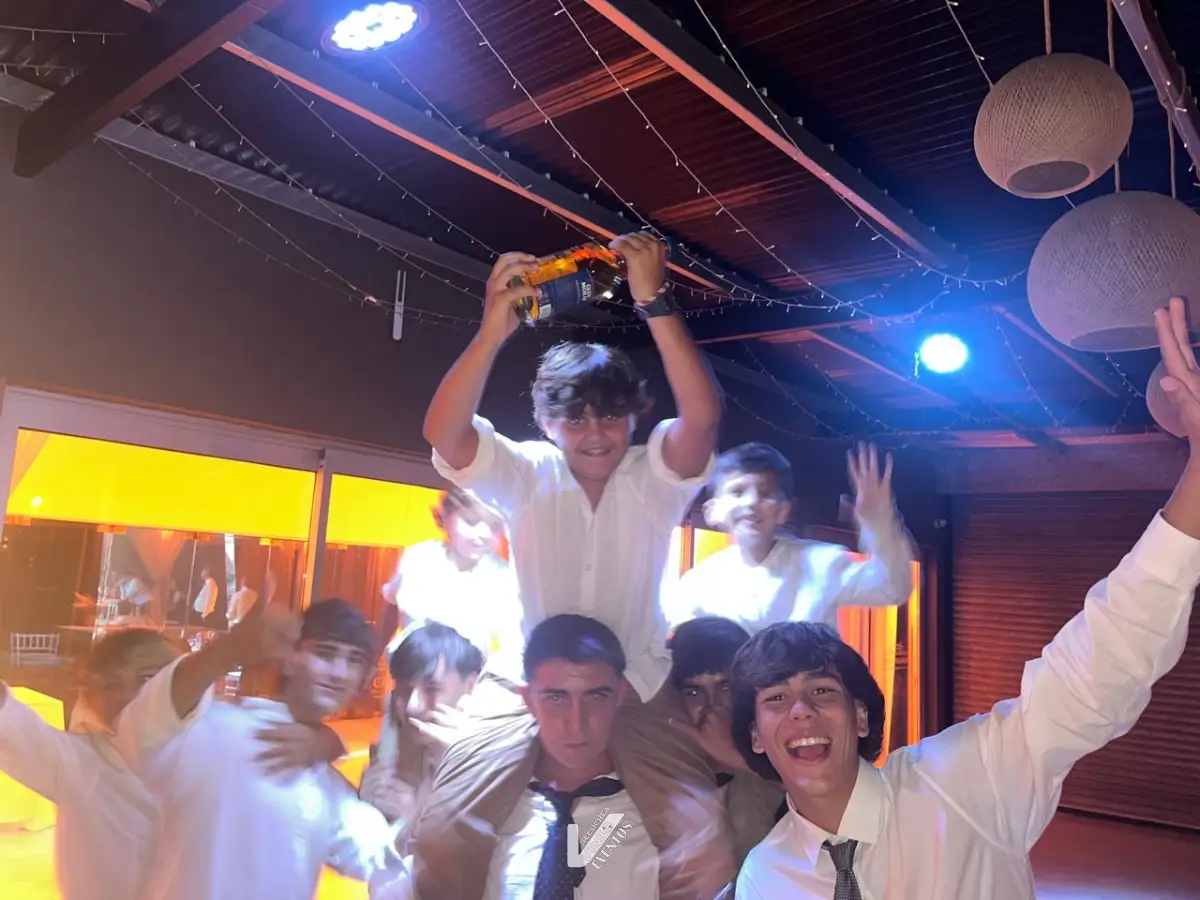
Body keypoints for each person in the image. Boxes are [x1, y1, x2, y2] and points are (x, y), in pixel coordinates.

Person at [730, 296, 1200, 899]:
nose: (800, 710)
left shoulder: (964, 780)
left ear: (862, 715)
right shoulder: (764, 877)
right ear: (755, 735)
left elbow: (1093, 673)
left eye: (822, 690)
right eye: (776, 698)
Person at [418, 232, 730, 900]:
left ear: (634, 417)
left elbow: (702, 419)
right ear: (545, 421)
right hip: (524, 686)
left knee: (702, 847)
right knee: (442, 833)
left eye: (611, 416)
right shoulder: (525, 471)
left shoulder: (655, 476)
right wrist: (492, 332)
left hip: (638, 685)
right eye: (576, 419)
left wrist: (655, 302)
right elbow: (444, 434)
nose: (595, 434)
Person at [0, 627, 339, 900]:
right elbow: (15, 730)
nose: (127, 695)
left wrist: (322, 741)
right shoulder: (80, 764)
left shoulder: (219, 745)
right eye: (110, 685)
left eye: (147, 679)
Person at [113, 596, 407, 900]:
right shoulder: (208, 731)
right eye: (325, 653)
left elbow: (382, 860)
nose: (339, 673)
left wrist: (402, 804)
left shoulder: (326, 784)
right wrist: (227, 650)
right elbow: (139, 729)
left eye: (354, 660)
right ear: (289, 657)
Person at [667, 442, 914, 633]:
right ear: (712, 510)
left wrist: (879, 521)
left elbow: (892, 589)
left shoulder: (822, 562)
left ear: (784, 510)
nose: (752, 502)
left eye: (765, 493)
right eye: (737, 492)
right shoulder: (698, 583)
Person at [668, 617, 783, 865]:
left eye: (725, 688)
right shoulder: (668, 767)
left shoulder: (783, 752)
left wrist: (738, 759)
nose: (712, 705)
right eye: (694, 692)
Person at [378, 488, 523, 683]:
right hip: (411, 677)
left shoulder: (503, 576)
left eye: (495, 525)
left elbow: (513, 643)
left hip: (466, 686)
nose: (484, 533)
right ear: (445, 518)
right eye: (470, 521)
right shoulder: (419, 557)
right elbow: (392, 605)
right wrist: (373, 658)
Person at [362, 623, 485, 824]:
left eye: (432, 688)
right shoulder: (396, 743)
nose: (412, 706)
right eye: (404, 689)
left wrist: (414, 822)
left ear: (470, 685)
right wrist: (364, 805)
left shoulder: (493, 762)